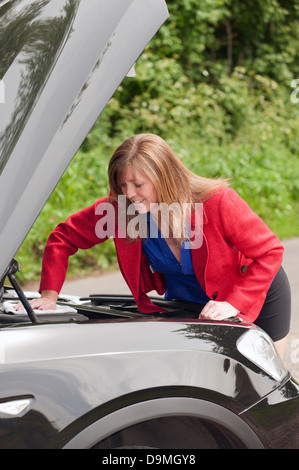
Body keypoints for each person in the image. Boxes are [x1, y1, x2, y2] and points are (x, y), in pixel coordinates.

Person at [16, 133, 291, 357]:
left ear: (164, 177)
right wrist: (49, 295)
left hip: (255, 293)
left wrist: (234, 302)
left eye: (138, 184)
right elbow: (64, 236)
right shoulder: (121, 210)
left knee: (266, 375)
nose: (129, 194)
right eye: (122, 185)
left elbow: (270, 252)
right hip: (191, 305)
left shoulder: (217, 202)